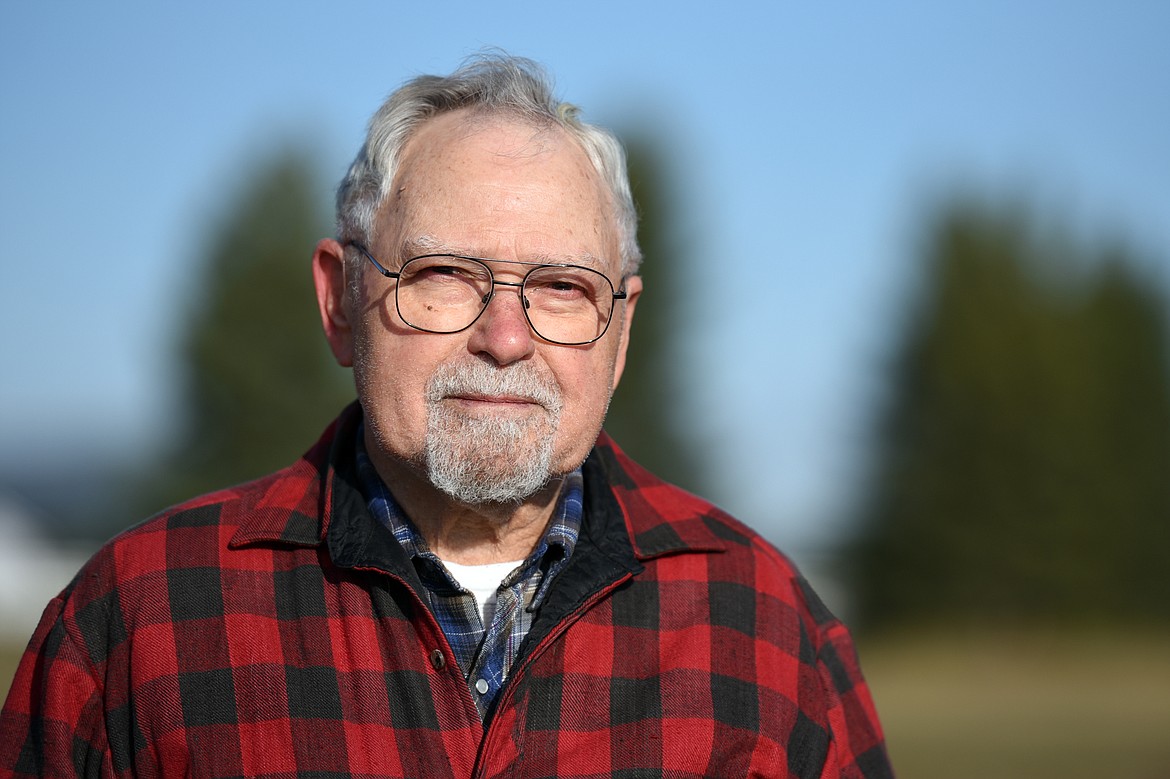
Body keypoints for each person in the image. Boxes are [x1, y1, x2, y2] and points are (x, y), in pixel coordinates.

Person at [0, 54, 892, 778]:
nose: (505, 337)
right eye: (442, 277)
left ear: (620, 334)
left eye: (562, 287)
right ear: (341, 299)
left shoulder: (766, 627)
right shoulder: (140, 620)